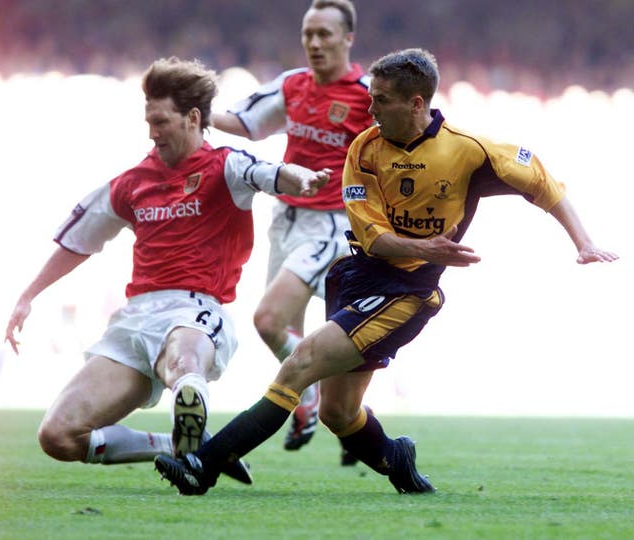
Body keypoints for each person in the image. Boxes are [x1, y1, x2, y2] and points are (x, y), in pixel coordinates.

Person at [153, 47, 618, 495]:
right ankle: (396, 459)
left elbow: (540, 181)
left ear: (416, 104)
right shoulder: (364, 149)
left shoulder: (469, 152)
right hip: (359, 275)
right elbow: (372, 237)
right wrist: (427, 245)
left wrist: (584, 242)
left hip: (408, 291)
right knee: (339, 411)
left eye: (381, 99)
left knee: (301, 364)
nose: (370, 107)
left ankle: (203, 466)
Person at [4, 57, 329, 485]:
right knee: (57, 436)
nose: (152, 133)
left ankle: (189, 404)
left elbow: (271, 174)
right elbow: (77, 240)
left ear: (193, 118)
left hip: (195, 311)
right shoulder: (132, 182)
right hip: (134, 320)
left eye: (161, 122)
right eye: (148, 122)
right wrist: (28, 296)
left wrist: (302, 181)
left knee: (185, 366)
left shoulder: (225, 166)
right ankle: (173, 441)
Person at [210, 0, 373, 459]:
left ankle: (314, 399)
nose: (315, 44)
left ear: (347, 39)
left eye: (324, 34)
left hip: (334, 224)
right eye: (308, 35)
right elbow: (244, 123)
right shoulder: (292, 85)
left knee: (268, 319)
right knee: (302, 334)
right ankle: (349, 418)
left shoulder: (366, 94)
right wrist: (193, 112)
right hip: (287, 220)